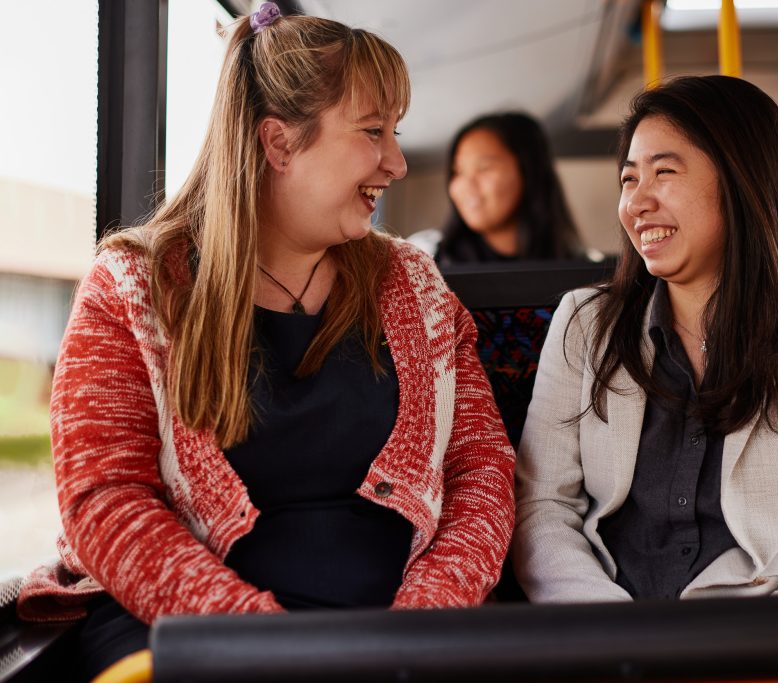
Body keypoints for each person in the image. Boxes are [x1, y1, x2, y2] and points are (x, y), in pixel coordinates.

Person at [17, 4, 515, 678]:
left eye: (394, 133)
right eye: (373, 132)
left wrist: (420, 624)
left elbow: (481, 472)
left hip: (397, 639)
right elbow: (104, 499)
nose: (396, 163)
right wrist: (265, 644)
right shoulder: (132, 287)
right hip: (191, 633)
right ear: (278, 144)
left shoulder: (416, 287)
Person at [514, 75, 778, 604]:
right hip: (611, 628)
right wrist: (611, 629)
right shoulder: (586, 323)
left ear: (741, 180)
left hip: (767, 627)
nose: (636, 202)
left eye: (664, 172)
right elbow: (543, 510)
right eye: (629, 179)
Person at [409, 112, 585, 264]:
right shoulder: (422, 258)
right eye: (458, 172)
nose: (466, 185)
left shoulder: (577, 268)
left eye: (484, 168)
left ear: (529, 171)